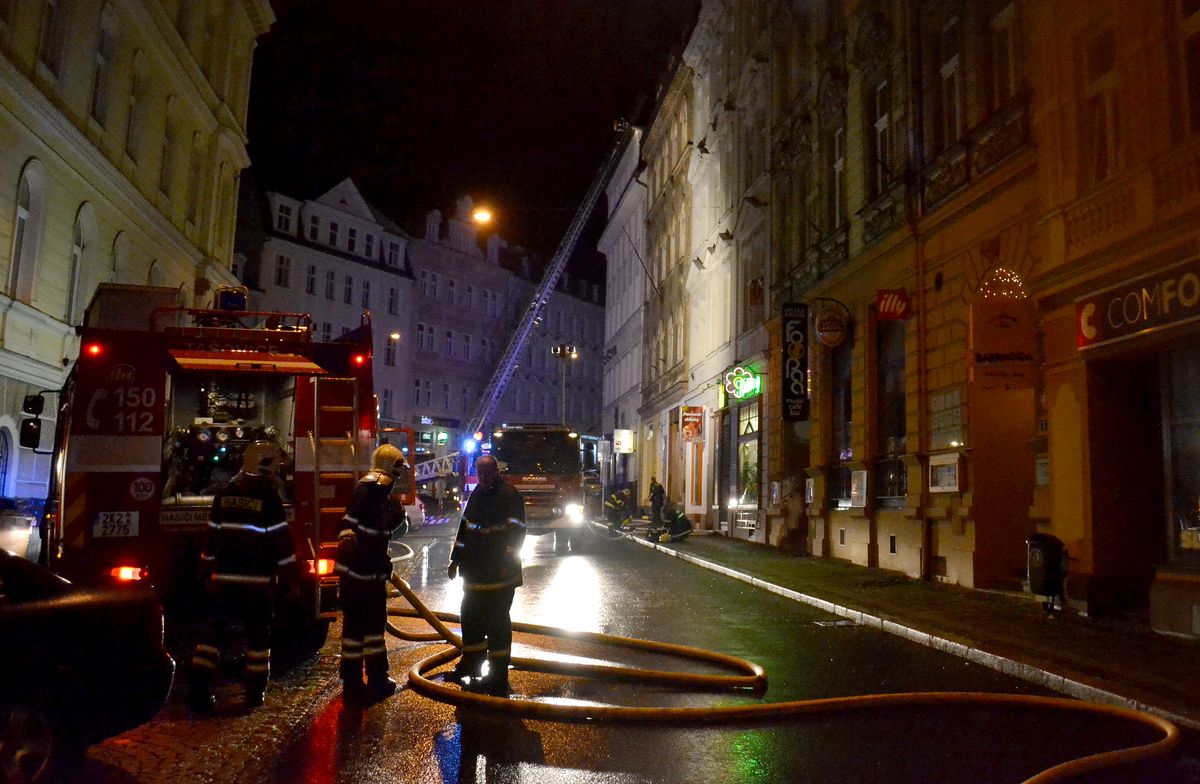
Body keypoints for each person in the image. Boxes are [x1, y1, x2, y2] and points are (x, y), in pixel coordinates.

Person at [189, 441, 299, 713]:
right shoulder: (270, 500)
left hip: (223, 581)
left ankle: (199, 692)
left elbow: (211, 540)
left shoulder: (223, 496)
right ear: (267, 466)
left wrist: (205, 573)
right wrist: (290, 581)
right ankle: (254, 693)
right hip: (256, 585)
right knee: (258, 640)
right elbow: (281, 545)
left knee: (211, 638)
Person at [446, 454, 526, 696]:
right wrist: (455, 559)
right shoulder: (477, 495)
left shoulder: (510, 495)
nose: (483, 477)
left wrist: (508, 563)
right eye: (479, 473)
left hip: (499, 573)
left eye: (487, 472)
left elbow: (517, 532)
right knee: (470, 618)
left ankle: (498, 676)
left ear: (496, 471)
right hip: (475, 571)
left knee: (496, 623)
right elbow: (465, 527)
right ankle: (471, 663)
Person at [336, 444, 408, 704]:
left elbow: (352, 525)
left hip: (354, 576)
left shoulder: (364, 489)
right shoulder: (377, 491)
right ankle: (377, 680)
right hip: (368, 576)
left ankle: (352, 682)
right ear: (392, 468)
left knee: (353, 633)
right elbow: (378, 532)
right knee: (373, 632)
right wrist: (397, 514)